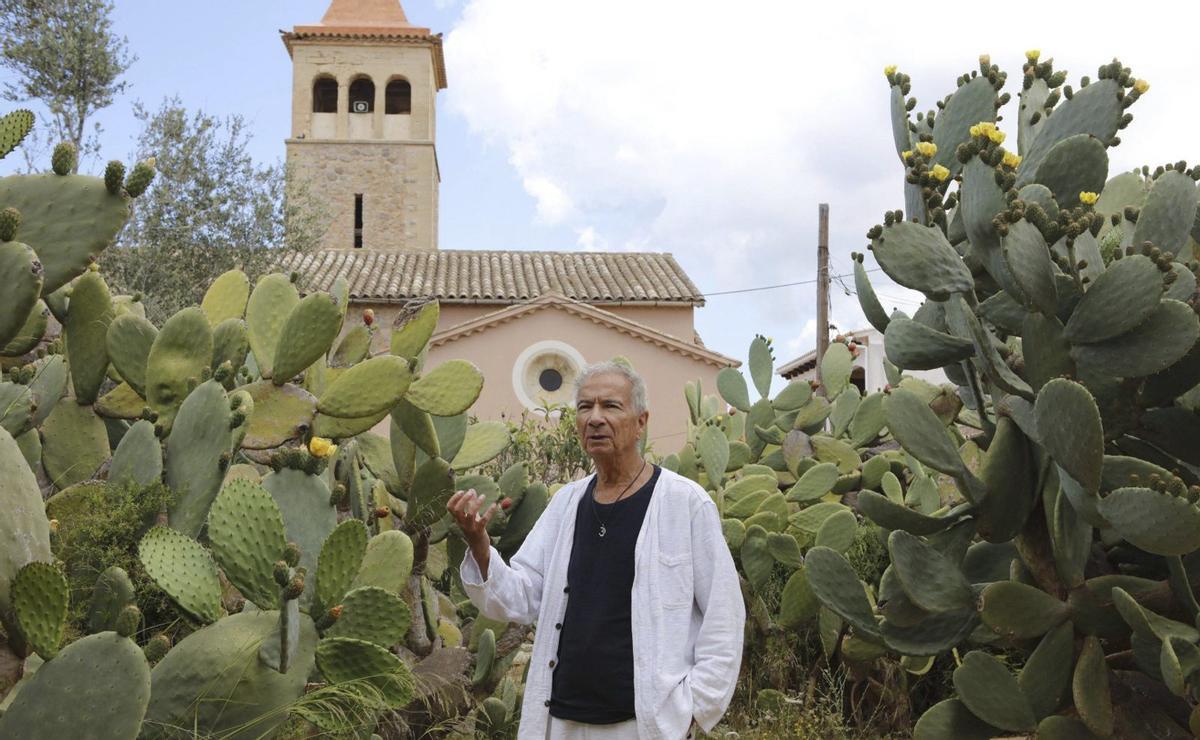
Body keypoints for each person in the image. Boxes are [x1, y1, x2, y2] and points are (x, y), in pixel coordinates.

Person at [447, 362, 745, 740]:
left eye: (611, 406)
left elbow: (724, 615)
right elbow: (522, 597)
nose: (595, 418)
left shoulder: (684, 503)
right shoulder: (565, 504)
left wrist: (694, 709)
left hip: (642, 725)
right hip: (561, 721)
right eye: (585, 407)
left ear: (641, 422)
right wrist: (480, 545)